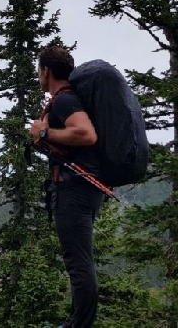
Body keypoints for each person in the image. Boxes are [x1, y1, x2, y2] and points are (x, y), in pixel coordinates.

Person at [29, 46, 104, 328]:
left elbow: (86, 134)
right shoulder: (66, 100)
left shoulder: (64, 101)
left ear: (46, 71)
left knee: (79, 263)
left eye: (39, 70)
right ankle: (75, 322)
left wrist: (45, 132)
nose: (38, 76)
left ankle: (78, 325)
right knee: (79, 260)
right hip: (81, 187)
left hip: (74, 190)